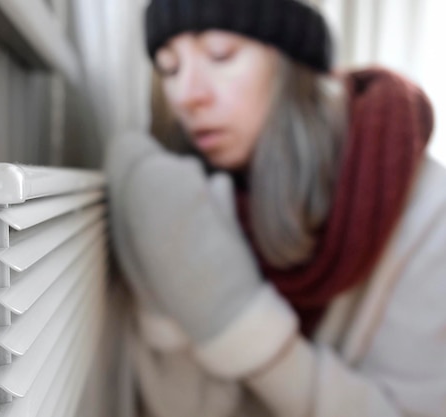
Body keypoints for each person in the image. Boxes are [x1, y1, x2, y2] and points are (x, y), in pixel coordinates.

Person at [105, 0, 446, 416]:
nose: (188, 95)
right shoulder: (188, 199)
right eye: (169, 67)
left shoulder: (431, 211)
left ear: (292, 67)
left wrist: (243, 326)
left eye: (220, 55)